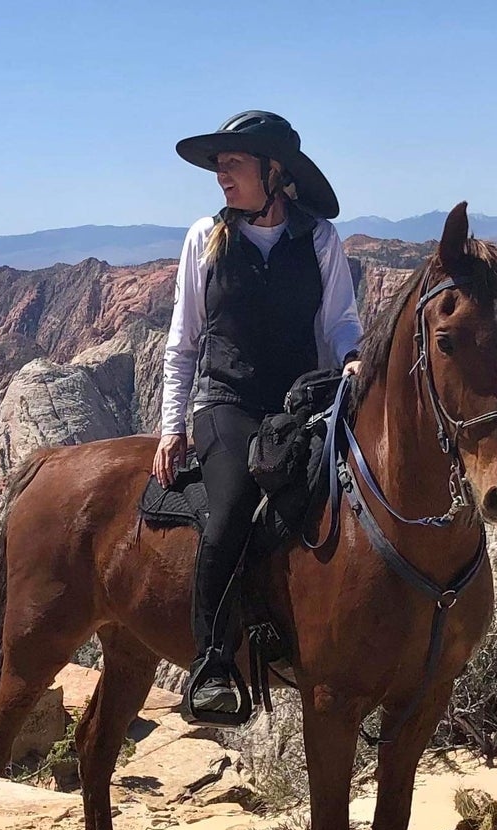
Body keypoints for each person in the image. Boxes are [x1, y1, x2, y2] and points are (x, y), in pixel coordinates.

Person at [152, 110, 363, 716]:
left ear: (275, 172)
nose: (221, 174)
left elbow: (341, 321)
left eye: (232, 162)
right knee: (232, 509)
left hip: (303, 405)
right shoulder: (205, 240)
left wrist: (351, 359)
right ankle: (213, 663)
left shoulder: (319, 238)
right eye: (218, 164)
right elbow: (182, 341)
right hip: (228, 405)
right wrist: (172, 427)